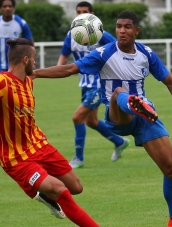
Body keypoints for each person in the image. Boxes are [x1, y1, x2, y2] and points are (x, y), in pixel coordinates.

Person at [31, 11, 172, 227]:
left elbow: (170, 81)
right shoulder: (104, 53)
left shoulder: (147, 54)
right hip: (117, 114)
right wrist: (35, 73)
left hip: (144, 119)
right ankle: (133, 102)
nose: (122, 30)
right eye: (119, 26)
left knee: (171, 169)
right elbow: (69, 68)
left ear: (136, 30)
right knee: (118, 93)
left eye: (127, 27)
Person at [0, 38, 99, 227]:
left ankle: (43, 193)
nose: (36, 63)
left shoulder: (28, 81)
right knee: (59, 190)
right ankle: (48, 192)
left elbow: (57, 71)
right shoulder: (1, 82)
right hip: (16, 158)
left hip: (39, 145)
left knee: (76, 187)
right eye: (34, 59)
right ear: (26, 60)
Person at [57, 1, 129, 169]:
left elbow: (120, 48)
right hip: (85, 85)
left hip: (99, 85)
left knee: (77, 117)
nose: (81, 15)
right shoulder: (71, 35)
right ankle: (119, 142)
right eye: (79, 12)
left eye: (85, 12)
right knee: (91, 121)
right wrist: (56, 72)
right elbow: (64, 56)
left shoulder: (99, 33)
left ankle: (79, 158)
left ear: (92, 15)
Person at [0, 0, 34, 80]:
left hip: (18, 64)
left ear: (13, 8)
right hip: (1, 65)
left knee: (17, 91)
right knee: (1, 90)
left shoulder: (21, 23)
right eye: (5, 6)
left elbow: (30, 44)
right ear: (0, 9)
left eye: (10, 6)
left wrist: (31, 63)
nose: (7, 8)